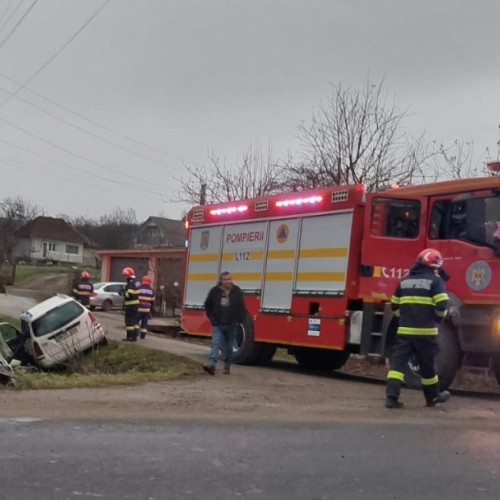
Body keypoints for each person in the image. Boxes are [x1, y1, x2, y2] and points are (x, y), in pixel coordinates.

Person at [386, 248, 451, 409]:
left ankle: (391, 398)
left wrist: (404, 317)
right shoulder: (435, 281)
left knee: (398, 366)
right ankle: (432, 397)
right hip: (426, 333)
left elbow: (394, 304)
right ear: (432, 265)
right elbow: (442, 303)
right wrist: (438, 317)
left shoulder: (405, 279)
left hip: (404, 332)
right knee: (427, 365)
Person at [202, 271, 247, 375]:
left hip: (231, 324)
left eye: (229, 279)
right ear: (221, 281)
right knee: (215, 344)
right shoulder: (214, 291)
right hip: (217, 323)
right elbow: (207, 305)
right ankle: (211, 365)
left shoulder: (236, 291)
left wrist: (239, 319)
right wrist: (212, 318)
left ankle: (227, 366)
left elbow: (242, 307)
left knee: (229, 346)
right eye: (225, 279)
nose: (228, 281)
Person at [122, 266, 140, 342]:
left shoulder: (130, 283)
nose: (124, 277)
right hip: (136, 305)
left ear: (128, 275)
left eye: (125, 275)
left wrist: (123, 292)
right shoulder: (137, 282)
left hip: (130, 306)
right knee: (135, 322)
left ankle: (130, 337)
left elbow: (128, 295)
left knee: (129, 322)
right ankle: (135, 336)